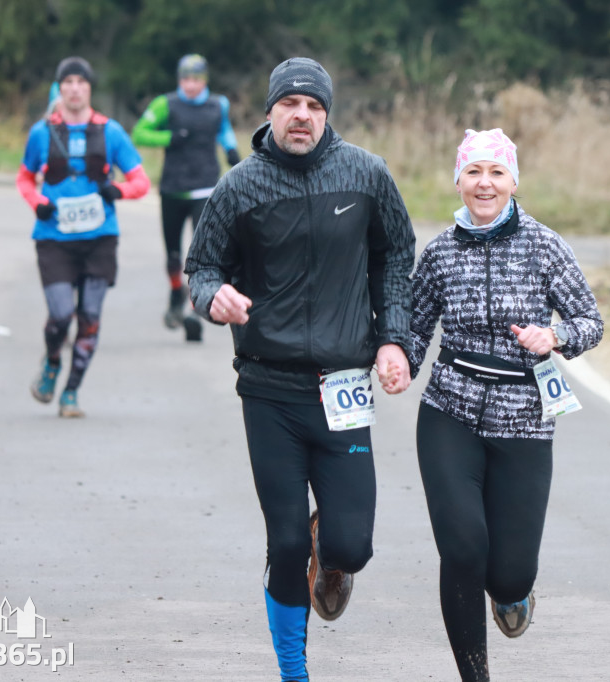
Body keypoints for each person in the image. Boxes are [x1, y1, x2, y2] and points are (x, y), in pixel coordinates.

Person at [184, 57, 415, 682]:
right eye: (290, 104)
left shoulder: (366, 174)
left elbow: (396, 253)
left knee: (353, 547)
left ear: (327, 114)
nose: (302, 116)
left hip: (344, 389)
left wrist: (395, 339)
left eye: (314, 106)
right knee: (283, 541)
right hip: (268, 389)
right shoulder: (241, 186)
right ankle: (293, 669)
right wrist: (214, 298)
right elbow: (200, 267)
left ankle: (328, 549)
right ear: (269, 112)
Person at [407, 128, 603, 681]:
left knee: (509, 575)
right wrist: (394, 359)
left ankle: (515, 594)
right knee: (463, 549)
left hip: (524, 417)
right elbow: (415, 332)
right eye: (474, 172)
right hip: (450, 409)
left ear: (514, 182)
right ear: (459, 181)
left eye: (496, 173)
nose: (485, 183)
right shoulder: (441, 251)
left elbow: (591, 322)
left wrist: (556, 337)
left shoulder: (544, 245)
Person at [17, 56, 150, 417]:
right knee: (61, 315)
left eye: (81, 82)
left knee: (89, 317)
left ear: (90, 88)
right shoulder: (41, 133)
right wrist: (38, 202)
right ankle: (52, 362)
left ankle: (71, 393)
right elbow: (24, 179)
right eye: (68, 83)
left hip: (99, 240)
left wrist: (118, 192)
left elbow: (141, 181)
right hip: (54, 239)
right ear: (59, 89)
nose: (75, 89)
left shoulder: (111, 132)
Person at [131, 53, 242, 341]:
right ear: (179, 80)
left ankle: (195, 310)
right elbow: (140, 133)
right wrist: (168, 137)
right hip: (173, 188)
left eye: (196, 79)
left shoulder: (218, 105)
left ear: (204, 80)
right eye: (185, 79)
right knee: (173, 255)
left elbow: (224, 130)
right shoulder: (166, 104)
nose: (190, 85)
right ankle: (174, 291)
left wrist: (231, 151)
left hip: (205, 188)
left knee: (200, 253)